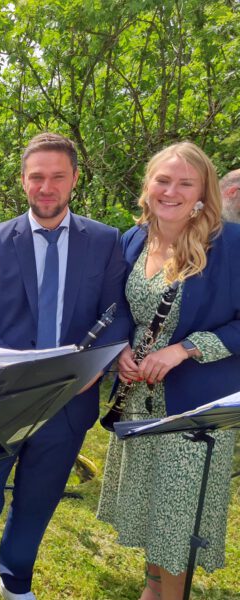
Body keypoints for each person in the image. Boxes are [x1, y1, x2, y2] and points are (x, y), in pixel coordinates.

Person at [0, 132, 130, 600]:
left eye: (57, 176)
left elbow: (119, 316)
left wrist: (93, 368)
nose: (46, 187)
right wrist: (14, 371)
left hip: (69, 399)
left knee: (36, 500)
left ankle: (15, 579)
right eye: (37, 177)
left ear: (74, 178)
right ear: (23, 181)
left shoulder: (104, 240)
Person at [97, 142, 240, 600]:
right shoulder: (134, 237)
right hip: (140, 398)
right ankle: (152, 590)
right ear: (148, 185)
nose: (171, 191)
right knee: (154, 512)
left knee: (178, 522)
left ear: (203, 191)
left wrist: (186, 349)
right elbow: (119, 306)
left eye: (185, 182)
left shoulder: (230, 243)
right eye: (163, 180)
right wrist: (119, 348)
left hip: (194, 407)